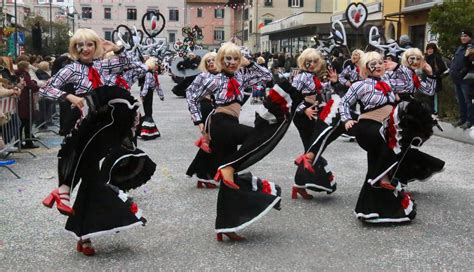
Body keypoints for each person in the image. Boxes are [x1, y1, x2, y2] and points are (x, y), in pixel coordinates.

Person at [40, 28, 155, 256]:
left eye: (89, 44)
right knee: (92, 181)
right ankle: (84, 233)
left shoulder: (105, 65)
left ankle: (64, 193)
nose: (84, 49)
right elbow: (46, 88)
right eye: (79, 45)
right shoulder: (71, 68)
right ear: (75, 48)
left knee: (92, 181)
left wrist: (118, 49)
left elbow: (135, 66)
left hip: (105, 128)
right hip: (84, 125)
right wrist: (69, 96)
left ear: (95, 45)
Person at [186, 42, 286, 241]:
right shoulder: (210, 78)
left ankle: (226, 226)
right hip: (220, 124)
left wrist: (249, 64)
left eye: (235, 59)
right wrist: (199, 123)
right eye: (227, 59)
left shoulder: (241, 75)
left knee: (228, 181)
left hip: (230, 122)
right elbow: (191, 95)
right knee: (257, 135)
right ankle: (227, 166)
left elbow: (267, 77)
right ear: (221, 59)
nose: (231, 62)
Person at [340, 51, 417, 223]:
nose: (378, 66)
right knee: (388, 140)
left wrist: (398, 67)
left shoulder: (389, 81)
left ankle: (371, 210)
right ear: (365, 68)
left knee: (376, 161)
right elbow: (344, 102)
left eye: (380, 62)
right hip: (368, 126)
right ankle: (381, 178)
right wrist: (346, 120)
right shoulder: (359, 85)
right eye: (372, 63)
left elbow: (410, 85)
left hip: (387, 126)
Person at [450, 30, 474, 129]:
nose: (463, 38)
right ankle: (462, 119)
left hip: (466, 80)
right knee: (461, 101)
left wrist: (462, 71)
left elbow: (470, 63)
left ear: (470, 37)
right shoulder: (460, 48)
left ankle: (469, 121)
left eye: (465, 36)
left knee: (468, 101)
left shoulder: (472, 48)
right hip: (457, 79)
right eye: (462, 36)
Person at [15, 60, 40, 149]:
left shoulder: (18, 74)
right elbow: (32, 87)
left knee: (22, 123)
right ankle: (27, 142)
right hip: (24, 101)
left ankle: (20, 142)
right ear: (26, 67)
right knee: (25, 122)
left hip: (22, 101)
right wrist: (35, 85)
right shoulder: (24, 75)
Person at [424, 42, 447, 115]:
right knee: (429, 96)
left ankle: (435, 111)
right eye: (428, 49)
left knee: (434, 96)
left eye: (431, 49)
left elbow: (443, 68)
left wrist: (434, 75)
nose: (429, 50)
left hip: (434, 79)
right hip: (428, 79)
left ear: (434, 50)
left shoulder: (436, 57)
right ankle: (431, 111)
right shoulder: (427, 58)